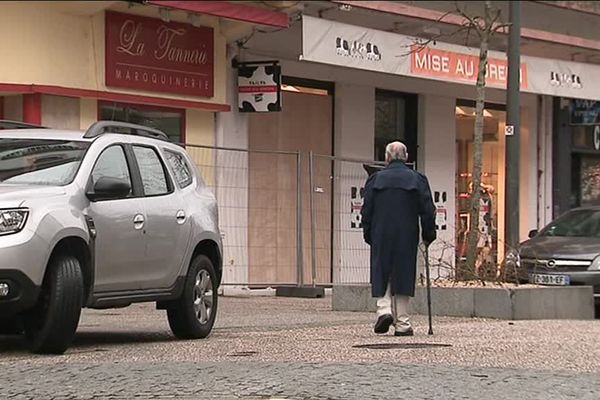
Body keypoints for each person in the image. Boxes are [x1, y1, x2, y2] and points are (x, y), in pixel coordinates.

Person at [360, 141, 436, 336]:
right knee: (403, 272)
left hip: (381, 231)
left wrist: (368, 232)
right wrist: (428, 234)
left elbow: (366, 209)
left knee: (381, 268)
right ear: (406, 156)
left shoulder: (375, 179)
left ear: (387, 157)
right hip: (407, 232)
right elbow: (428, 210)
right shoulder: (417, 179)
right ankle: (403, 323)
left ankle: (384, 310)